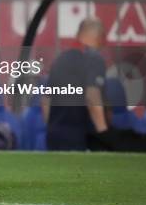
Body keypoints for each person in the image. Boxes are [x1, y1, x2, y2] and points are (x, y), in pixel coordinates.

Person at [43, 18, 109, 151]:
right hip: (81, 137)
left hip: (55, 136)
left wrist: (51, 127)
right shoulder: (94, 59)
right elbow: (92, 97)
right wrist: (105, 136)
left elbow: (46, 100)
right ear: (99, 37)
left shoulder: (60, 59)